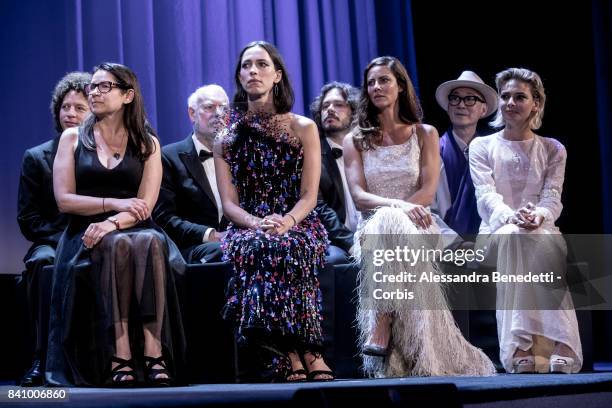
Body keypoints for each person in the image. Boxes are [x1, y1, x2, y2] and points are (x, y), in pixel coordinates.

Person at [343, 56, 495, 377]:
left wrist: (404, 212)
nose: (376, 87)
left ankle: (382, 324)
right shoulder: (355, 139)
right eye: (371, 82)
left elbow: (427, 192)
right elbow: (359, 197)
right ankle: (416, 352)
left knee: (394, 225)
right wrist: (398, 209)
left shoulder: (424, 133)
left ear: (400, 86)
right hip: (372, 229)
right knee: (387, 222)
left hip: (421, 226)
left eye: (384, 80)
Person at [47, 62, 185, 386]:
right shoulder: (72, 138)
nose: (94, 92)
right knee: (121, 244)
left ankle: (153, 351)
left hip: (132, 225)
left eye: (104, 86)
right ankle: (119, 353)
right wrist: (113, 206)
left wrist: (113, 222)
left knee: (149, 240)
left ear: (127, 95)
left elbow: (146, 205)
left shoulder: (148, 142)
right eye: (92, 86)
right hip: (84, 230)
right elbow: (64, 199)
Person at [215, 41, 334, 382]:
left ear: (277, 75)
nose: (253, 71)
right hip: (248, 224)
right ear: (239, 76)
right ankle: (292, 352)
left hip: (298, 218)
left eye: (262, 65)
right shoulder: (226, 137)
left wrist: (288, 222)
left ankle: (307, 348)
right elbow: (229, 204)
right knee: (262, 245)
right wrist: (257, 223)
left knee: (292, 246)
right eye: (246, 66)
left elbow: (310, 195)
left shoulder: (303, 127)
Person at [469, 68, 582, 374]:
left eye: (520, 97)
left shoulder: (553, 148)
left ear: (536, 103)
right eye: (505, 96)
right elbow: (486, 197)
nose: (510, 102)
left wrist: (539, 215)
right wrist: (511, 216)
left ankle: (548, 342)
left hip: (540, 227)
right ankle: (532, 343)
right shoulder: (482, 146)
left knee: (539, 239)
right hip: (496, 230)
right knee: (515, 236)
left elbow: (552, 198)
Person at [17, 71, 91, 386]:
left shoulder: (100, 156)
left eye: (79, 107)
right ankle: (42, 356)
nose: (70, 114)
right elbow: (28, 218)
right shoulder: (36, 157)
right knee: (40, 262)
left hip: (94, 236)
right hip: (53, 240)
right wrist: (64, 241)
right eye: (65, 107)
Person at [154, 84, 229, 263]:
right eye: (210, 107)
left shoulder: (240, 156)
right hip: (189, 247)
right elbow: (164, 218)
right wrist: (209, 234)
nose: (218, 113)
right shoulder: (169, 156)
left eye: (223, 108)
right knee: (224, 252)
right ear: (192, 113)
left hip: (233, 242)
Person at [433, 71, 498, 238]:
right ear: (448, 106)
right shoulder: (433, 150)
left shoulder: (493, 152)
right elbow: (429, 209)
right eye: (455, 98)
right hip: (446, 244)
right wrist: (454, 244)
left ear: (483, 110)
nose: (461, 105)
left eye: (470, 99)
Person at [309, 82, 361, 264]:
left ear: (354, 112)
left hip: (373, 232)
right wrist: (351, 242)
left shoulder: (368, 150)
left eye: (338, 104)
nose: (330, 109)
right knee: (335, 260)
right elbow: (319, 208)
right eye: (325, 106)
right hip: (337, 240)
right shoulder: (311, 155)